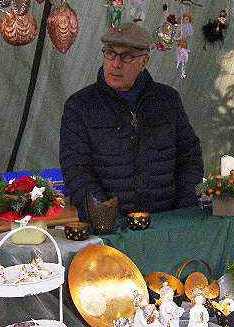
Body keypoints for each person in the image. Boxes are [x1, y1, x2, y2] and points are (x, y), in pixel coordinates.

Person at [59, 22, 204, 219]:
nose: (116, 64)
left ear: (145, 61)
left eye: (126, 56)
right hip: (109, 228)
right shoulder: (80, 106)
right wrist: (103, 216)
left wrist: (184, 208)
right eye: (110, 53)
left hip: (167, 222)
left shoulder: (167, 100)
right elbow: (76, 170)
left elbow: (190, 156)